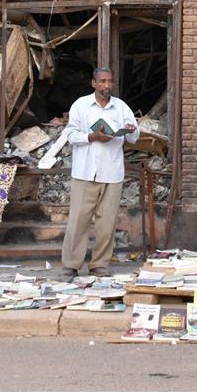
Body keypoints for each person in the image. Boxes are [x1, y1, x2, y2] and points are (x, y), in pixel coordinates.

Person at [61, 67, 139, 279]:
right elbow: (70, 135)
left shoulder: (121, 107)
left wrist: (131, 129)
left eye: (110, 82)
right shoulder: (81, 105)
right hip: (85, 172)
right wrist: (93, 137)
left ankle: (99, 265)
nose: (106, 86)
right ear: (93, 83)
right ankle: (71, 264)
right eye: (102, 81)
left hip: (112, 173)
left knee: (107, 224)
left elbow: (134, 137)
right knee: (78, 221)